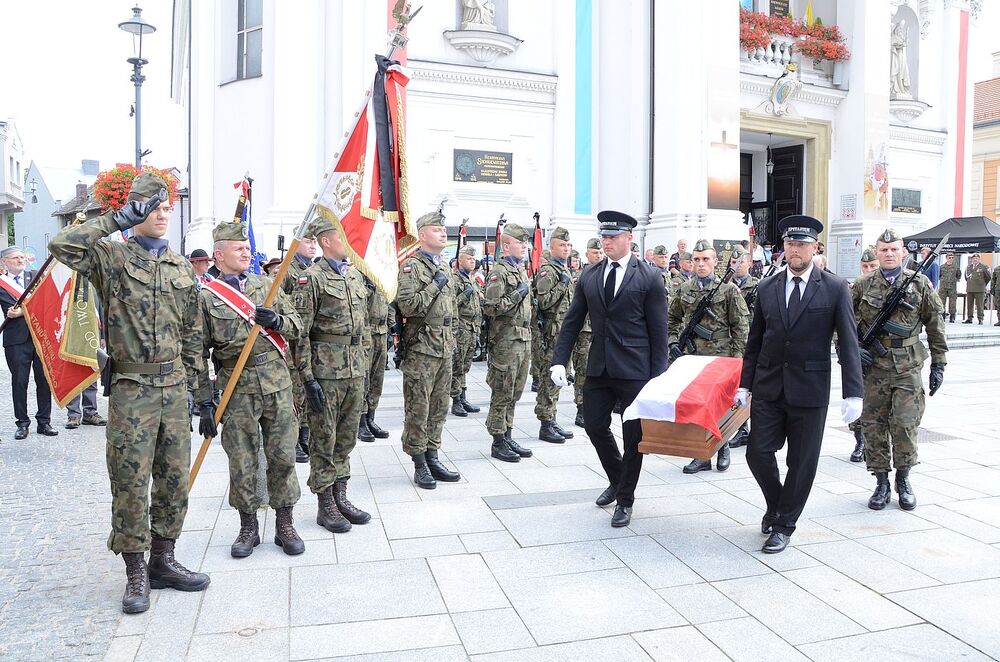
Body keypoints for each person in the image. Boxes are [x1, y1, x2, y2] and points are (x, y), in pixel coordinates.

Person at [48, 172, 209, 614]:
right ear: (135, 211)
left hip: (174, 389)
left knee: (174, 481)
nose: (162, 214)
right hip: (132, 391)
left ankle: (163, 560)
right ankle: (136, 571)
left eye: (166, 207)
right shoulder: (112, 257)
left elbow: (192, 333)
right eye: (152, 207)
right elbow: (62, 246)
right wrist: (115, 220)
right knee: (131, 483)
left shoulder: (180, 267)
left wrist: (201, 392)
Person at [737, 215, 863, 554]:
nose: (796, 250)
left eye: (802, 244)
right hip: (769, 386)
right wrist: (744, 384)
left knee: (801, 462)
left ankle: (784, 524)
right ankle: (778, 503)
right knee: (757, 452)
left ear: (815, 248)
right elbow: (755, 340)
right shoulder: (768, 287)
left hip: (809, 389)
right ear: (784, 248)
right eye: (791, 244)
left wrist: (854, 392)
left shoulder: (834, 288)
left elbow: (848, 342)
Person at [550, 211, 669, 528]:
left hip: (635, 370)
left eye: (613, 237)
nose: (607, 242)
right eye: (604, 237)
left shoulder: (648, 276)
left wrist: (658, 378)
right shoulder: (590, 275)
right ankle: (618, 480)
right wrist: (559, 359)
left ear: (629, 238)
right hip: (600, 366)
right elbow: (572, 321)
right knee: (594, 425)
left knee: (633, 437)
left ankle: (625, 500)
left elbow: (659, 331)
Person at [197, 220, 305, 557]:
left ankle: (285, 524)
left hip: (277, 383)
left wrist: (277, 322)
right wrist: (205, 402)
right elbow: (196, 352)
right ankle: (248, 526)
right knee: (241, 460)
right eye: (238, 248)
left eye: (247, 247)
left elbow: (297, 326)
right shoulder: (207, 297)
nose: (246, 252)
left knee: (283, 455)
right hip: (236, 387)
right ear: (219, 254)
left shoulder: (267, 286)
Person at [853, 229, 947, 512]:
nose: (889, 254)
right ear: (877, 252)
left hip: (908, 365)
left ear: (903, 252)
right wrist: (851, 350)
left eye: (894, 249)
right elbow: (842, 321)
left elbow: (935, 325)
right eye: (884, 250)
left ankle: (903, 479)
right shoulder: (863, 284)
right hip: (873, 367)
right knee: (873, 425)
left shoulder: (919, 284)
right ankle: (881, 481)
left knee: (906, 424)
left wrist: (939, 364)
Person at [293, 216, 372, 532]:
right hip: (326, 372)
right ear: (325, 241)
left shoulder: (353, 276)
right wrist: (307, 377)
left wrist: (365, 364)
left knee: (347, 436)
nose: (349, 241)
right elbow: (300, 332)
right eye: (342, 237)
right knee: (324, 438)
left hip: (354, 369)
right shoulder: (311, 278)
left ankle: (341, 496)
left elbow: (363, 326)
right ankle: (325, 503)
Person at [668, 239, 749, 473]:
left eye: (706, 259)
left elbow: (740, 327)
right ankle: (701, 454)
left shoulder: (728, 290)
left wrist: (737, 360)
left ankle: (722, 448)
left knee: (719, 405)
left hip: (720, 357)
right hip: (692, 357)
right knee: (696, 404)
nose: (701, 264)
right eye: (696, 259)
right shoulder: (684, 289)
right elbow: (671, 318)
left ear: (715, 261)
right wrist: (673, 342)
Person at [396, 211, 464, 487]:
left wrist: (454, 340)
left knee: (439, 406)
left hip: (444, 346)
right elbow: (408, 306)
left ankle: (433, 455)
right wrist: (434, 285)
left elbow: (452, 309)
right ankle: (419, 462)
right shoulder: (411, 267)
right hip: (422, 348)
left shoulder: (445, 266)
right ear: (422, 235)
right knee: (418, 407)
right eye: (436, 229)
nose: (443, 233)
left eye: (443, 229)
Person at [482, 223, 535, 463]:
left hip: (522, 338)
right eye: (519, 242)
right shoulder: (499, 272)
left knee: (515, 391)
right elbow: (491, 308)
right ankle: (497, 440)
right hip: (506, 340)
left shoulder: (519, 270)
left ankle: (508, 434)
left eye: (525, 243)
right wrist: (517, 294)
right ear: (506, 246)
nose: (524, 246)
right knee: (503, 390)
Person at [0, 247, 58, 440]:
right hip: (16, 340)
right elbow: (9, 308)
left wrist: (22, 311)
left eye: (21, 257)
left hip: (40, 336)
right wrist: (17, 312)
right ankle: (22, 423)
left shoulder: (36, 277)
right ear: (4, 262)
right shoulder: (2, 283)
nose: (20, 260)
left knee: (44, 380)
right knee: (19, 382)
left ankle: (44, 422)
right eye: (15, 258)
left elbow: (46, 301)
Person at [533, 227, 576, 443]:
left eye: (568, 245)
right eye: (562, 245)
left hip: (563, 333)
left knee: (560, 378)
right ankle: (545, 423)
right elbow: (544, 302)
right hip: (551, 334)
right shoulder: (549, 272)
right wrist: (562, 285)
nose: (566, 248)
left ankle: (552, 418)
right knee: (549, 378)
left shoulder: (563, 269)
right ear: (551, 247)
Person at [282, 232, 318, 463]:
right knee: (295, 392)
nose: (313, 245)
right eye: (308, 241)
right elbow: (277, 302)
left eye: (315, 241)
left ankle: (304, 436)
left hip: (310, 342)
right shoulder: (287, 271)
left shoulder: (315, 271)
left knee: (306, 391)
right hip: (292, 343)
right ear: (295, 244)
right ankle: (293, 441)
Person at [846, 246, 879, 463]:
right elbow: (841, 322)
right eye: (865, 266)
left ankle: (878, 444)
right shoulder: (856, 287)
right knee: (857, 396)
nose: (868, 270)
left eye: (872, 266)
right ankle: (860, 442)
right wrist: (849, 350)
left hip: (883, 354)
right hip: (858, 351)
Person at [571, 238, 603, 427]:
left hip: (600, 331)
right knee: (583, 370)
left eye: (600, 253)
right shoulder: (581, 277)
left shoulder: (607, 274)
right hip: (584, 331)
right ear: (587, 254)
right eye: (595, 253)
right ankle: (581, 409)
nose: (598, 256)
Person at [728, 244, 757, 448]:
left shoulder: (758, 286)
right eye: (734, 262)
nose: (737, 266)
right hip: (730, 342)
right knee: (735, 387)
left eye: (741, 262)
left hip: (752, 341)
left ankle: (750, 428)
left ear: (749, 263)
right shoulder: (724, 286)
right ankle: (740, 428)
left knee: (751, 386)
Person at [450, 245, 483, 417]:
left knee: (465, 366)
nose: (472, 261)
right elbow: (449, 305)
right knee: (457, 365)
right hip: (460, 328)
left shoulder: (471, 280)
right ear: (460, 261)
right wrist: (464, 295)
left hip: (471, 328)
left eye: (473, 259)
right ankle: (456, 400)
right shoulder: (454, 280)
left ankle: (463, 397)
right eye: (469, 259)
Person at [358, 274, 391, 442]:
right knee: (364, 379)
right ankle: (361, 421)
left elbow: (389, 301)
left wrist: (391, 325)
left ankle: (371, 416)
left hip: (382, 331)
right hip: (367, 331)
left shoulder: (380, 275)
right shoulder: (358, 276)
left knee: (377, 379)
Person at [964, 252, 991, 324]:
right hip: (970, 288)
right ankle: (969, 318)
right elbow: (966, 277)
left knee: (979, 305)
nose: (975, 260)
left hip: (979, 289)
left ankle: (980, 318)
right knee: (969, 305)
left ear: (979, 259)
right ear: (972, 259)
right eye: (974, 258)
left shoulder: (983, 267)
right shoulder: (968, 267)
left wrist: (983, 284)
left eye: (976, 258)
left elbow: (988, 277)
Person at [937, 252, 960, 323]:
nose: (951, 259)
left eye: (952, 258)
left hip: (952, 287)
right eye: (949, 258)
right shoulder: (942, 267)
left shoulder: (956, 267)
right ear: (946, 258)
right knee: (941, 302)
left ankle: (952, 316)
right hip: (943, 287)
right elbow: (939, 276)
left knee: (952, 302)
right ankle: (942, 315)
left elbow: (958, 276)